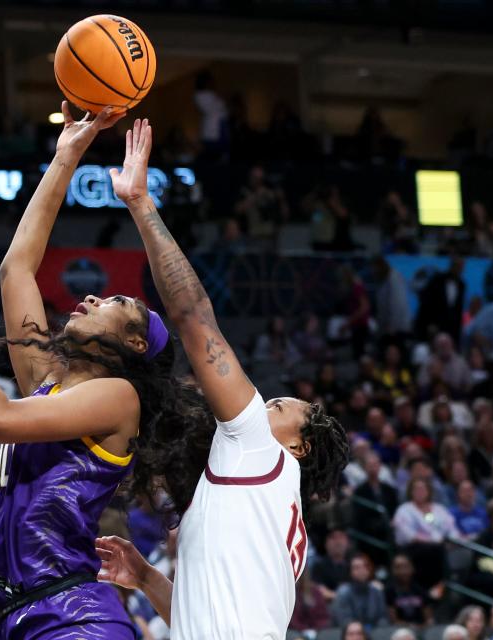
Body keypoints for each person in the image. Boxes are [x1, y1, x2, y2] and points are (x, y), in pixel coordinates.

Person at [0, 105, 229, 640]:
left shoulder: (118, 397)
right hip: (18, 618)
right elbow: (16, 269)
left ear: (133, 343)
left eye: (114, 301)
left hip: (74, 616)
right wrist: (65, 157)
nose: (90, 296)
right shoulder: (49, 383)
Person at [94, 118, 348, 638]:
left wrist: (142, 204)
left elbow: (192, 317)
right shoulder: (269, 516)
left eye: (276, 407)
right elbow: (196, 619)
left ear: (296, 447)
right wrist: (145, 578)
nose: (260, 406)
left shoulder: (261, 451)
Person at [392, 478, 458, 589]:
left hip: (442, 547)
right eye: (416, 489)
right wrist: (434, 542)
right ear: (411, 492)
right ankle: (440, 584)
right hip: (414, 548)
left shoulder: (439, 509)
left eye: (423, 489)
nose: (420, 492)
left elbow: (451, 528)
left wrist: (453, 540)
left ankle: (448, 583)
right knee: (435, 550)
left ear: (429, 491)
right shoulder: (404, 510)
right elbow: (407, 534)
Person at [330, 554, 389, 627]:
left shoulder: (377, 591)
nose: (361, 570)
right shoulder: (343, 592)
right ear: (350, 572)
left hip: (374, 633)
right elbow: (344, 621)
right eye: (357, 567)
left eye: (364, 566)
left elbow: (383, 618)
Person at [385, 553, 432, 627]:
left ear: (412, 568)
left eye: (406, 566)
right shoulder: (389, 591)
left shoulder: (421, 589)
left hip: (422, 630)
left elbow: (429, 618)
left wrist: (422, 627)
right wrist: (409, 627)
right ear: (393, 570)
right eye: (398, 567)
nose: (403, 571)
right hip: (399, 631)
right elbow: (392, 620)